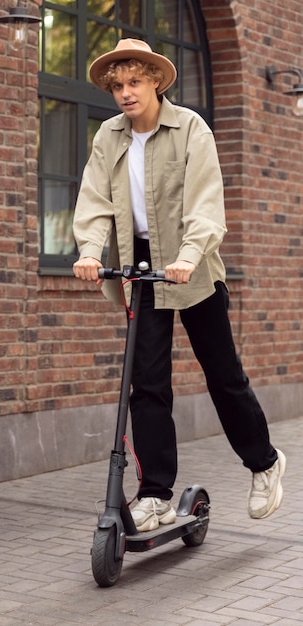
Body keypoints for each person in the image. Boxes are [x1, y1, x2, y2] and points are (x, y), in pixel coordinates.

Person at [72, 39, 286, 532]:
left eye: (134, 83)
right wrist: (89, 250)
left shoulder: (191, 129)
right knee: (147, 384)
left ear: (155, 82)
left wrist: (189, 256)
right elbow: (94, 199)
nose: (125, 93)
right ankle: (155, 495)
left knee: (223, 376)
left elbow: (206, 203)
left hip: (194, 268)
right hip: (143, 269)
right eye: (118, 85)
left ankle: (264, 463)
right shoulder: (109, 136)